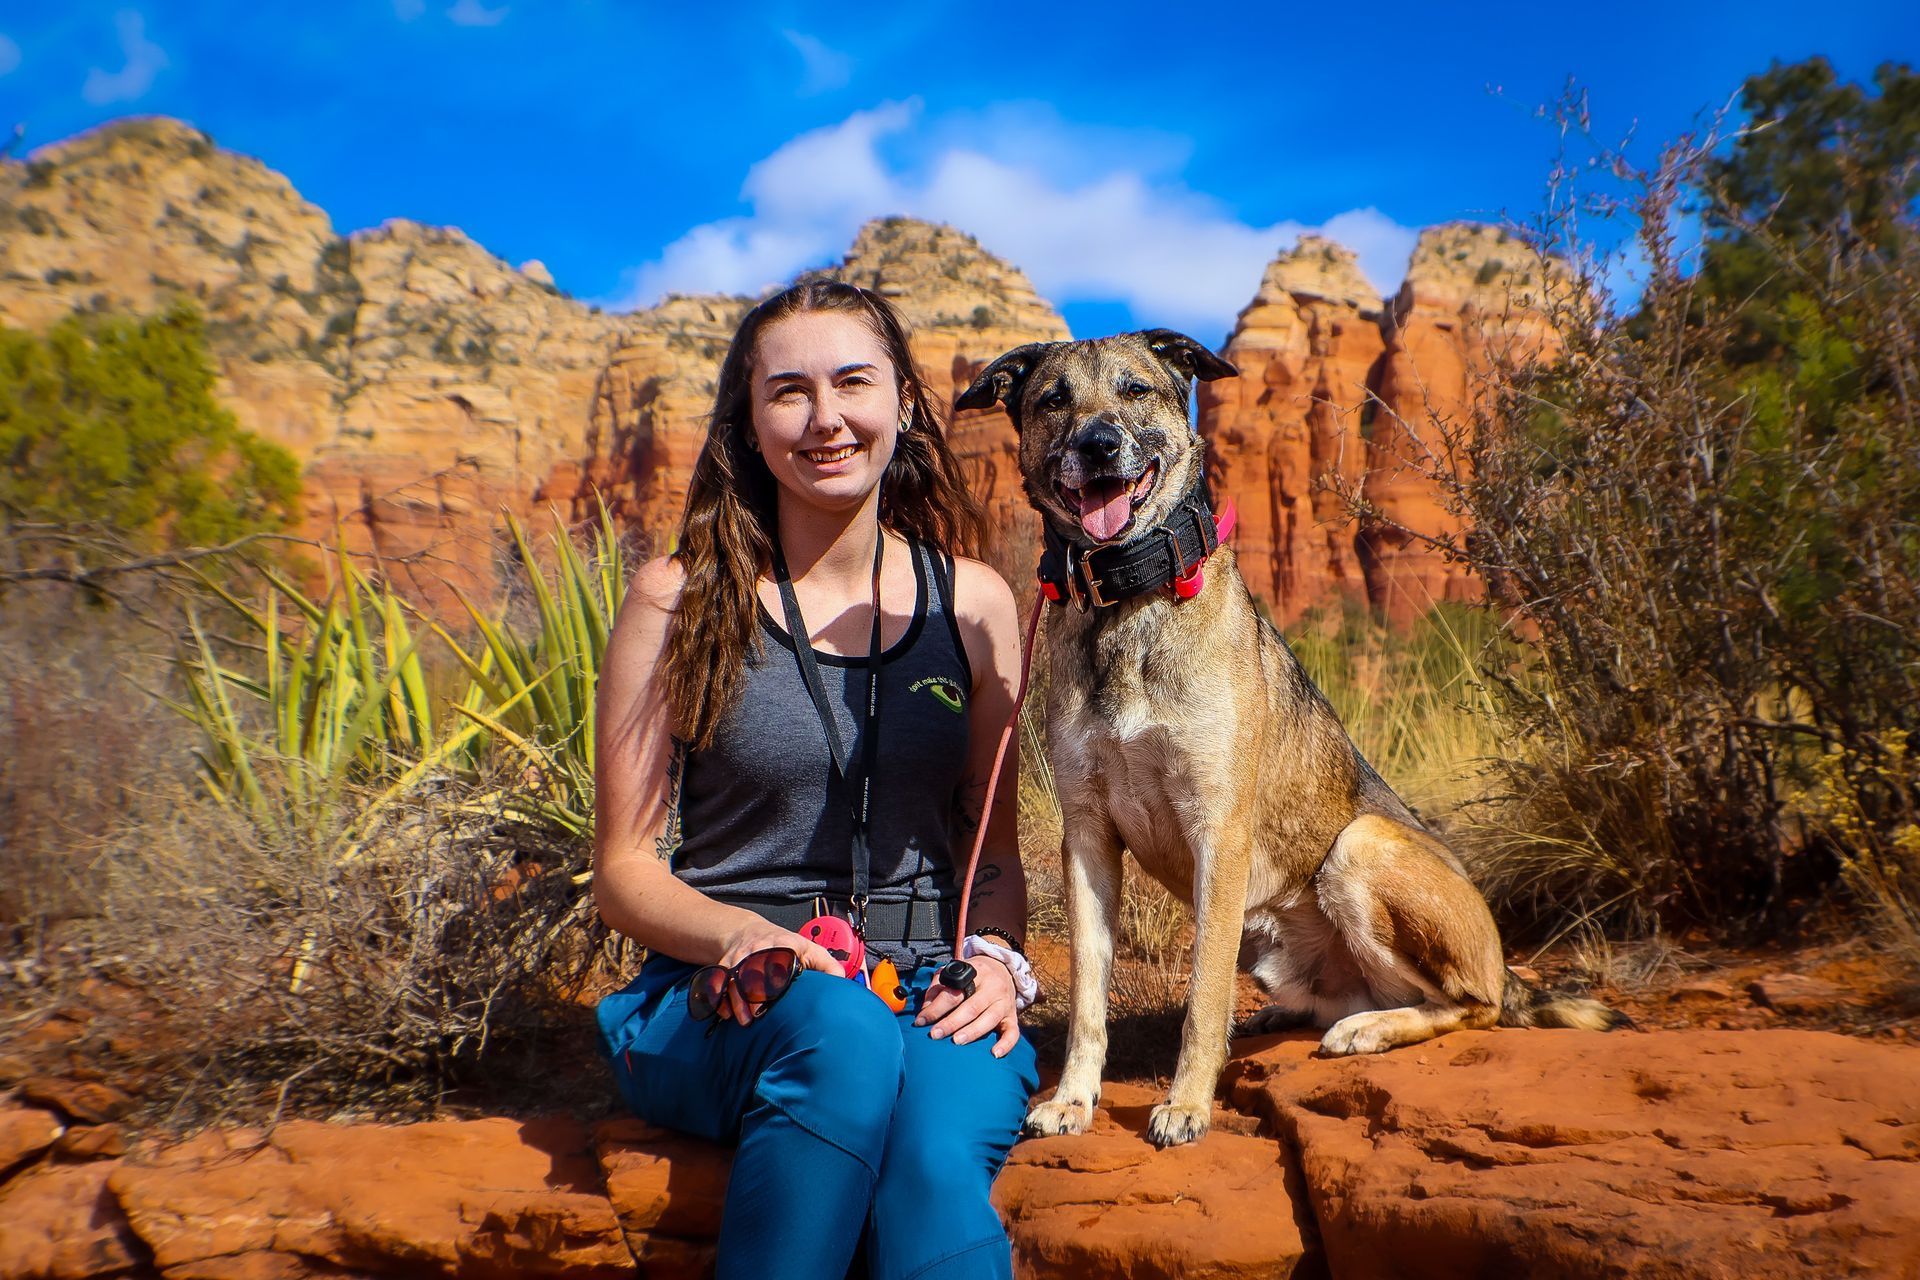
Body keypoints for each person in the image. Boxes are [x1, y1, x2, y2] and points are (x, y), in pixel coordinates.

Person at [592, 279, 1040, 1280]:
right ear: (749, 426)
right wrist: (747, 935)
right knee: (836, 1032)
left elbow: (993, 853)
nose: (825, 417)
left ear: (906, 404)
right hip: (731, 989)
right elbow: (622, 867)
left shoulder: (972, 603)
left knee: (928, 1162)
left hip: (932, 985)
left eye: (853, 381)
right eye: (789, 391)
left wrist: (1004, 961)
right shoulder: (678, 600)